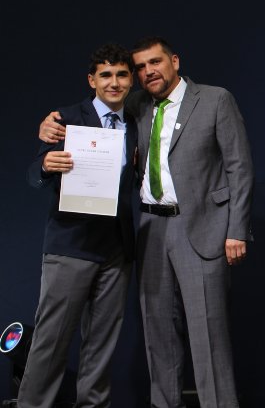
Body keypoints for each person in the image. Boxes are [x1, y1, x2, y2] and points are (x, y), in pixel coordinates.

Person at [39, 37, 254, 407]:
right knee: (158, 335)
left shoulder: (215, 99)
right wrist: (49, 124)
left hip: (201, 228)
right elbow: (92, 114)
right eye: (140, 67)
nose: (148, 72)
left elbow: (240, 168)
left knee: (208, 335)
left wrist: (237, 230)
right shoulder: (136, 105)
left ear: (174, 61)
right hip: (151, 230)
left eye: (155, 62)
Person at [18, 44, 138, 408]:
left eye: (121, 75)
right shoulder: (65, 118)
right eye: (106, 75)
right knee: (51, 340)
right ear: (92, 80)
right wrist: (45, 166)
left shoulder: (137, 122)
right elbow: (34, 173)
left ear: (131, 80)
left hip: (116, 250)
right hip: (71, 244)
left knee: (102, 345)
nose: (114, 82)